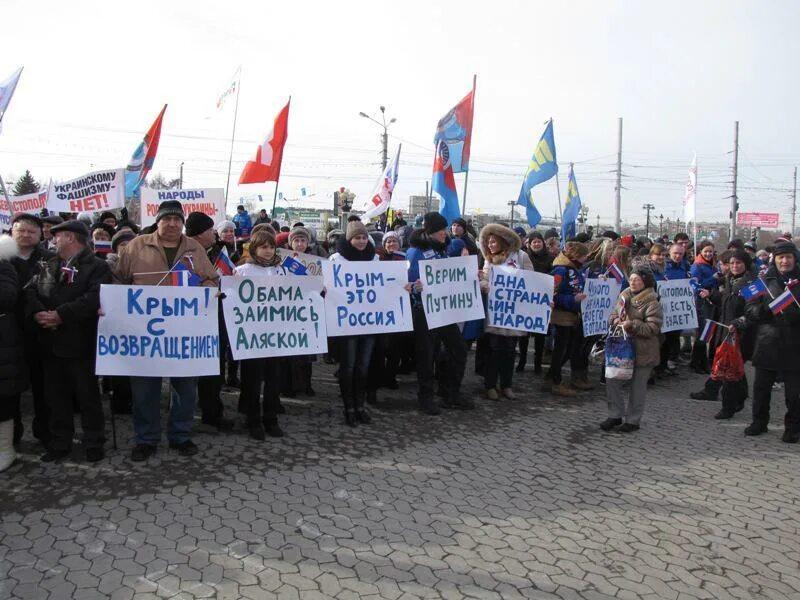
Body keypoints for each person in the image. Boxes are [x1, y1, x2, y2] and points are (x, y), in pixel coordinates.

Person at [114, 200, 219, 461]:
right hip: (145, 334)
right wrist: (111, 307)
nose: (172, 224)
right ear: (157, 220)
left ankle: (180, 436)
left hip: (184, 334)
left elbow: (211, 279)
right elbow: (118, 281)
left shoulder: (194, 247)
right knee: (144, 389)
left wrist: (205, 293)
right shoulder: (137, 246)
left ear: (182, 223)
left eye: (177, 220)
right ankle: (146, 439)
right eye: (167, 219)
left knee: (185, 388)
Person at [26, 220, 112, 462]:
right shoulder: (48, 264)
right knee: (55, 397)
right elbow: (30, 291)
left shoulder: (97, 266)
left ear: (71, 238)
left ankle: (94, 441)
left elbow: (95, 297)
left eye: (58, 237)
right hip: (50, 342)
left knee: (87, 396)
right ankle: (60, 441)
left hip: (80, 343)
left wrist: (61, 315)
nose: (53, 241)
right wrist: (38, 313)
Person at [406, 212, 471, 414]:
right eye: (441, 229)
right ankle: (425, 397)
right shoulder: (415, 252)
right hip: (422, 311)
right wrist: (415, 286)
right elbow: (408, 281)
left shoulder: (443, 250)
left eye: (445, 229)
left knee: (458, 349)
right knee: (426, 355)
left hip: (442, 309)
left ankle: (451, 392)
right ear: (431, 231)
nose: (445, 232)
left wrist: (470, 275)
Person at [743, 241, 800, 442]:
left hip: (795, 344)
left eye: (788, 257)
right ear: (774, 259)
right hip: (767, 342)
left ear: (795, 259)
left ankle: (793, 427)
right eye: (780, 257)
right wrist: (765, 310)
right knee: (761, 389)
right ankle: (759, 422)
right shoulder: (762, 280)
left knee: (795, 394)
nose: (784, 261)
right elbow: (748, 309)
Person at [234, 229, 287, 439]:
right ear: (254, 249)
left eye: (271, 247)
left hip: (276, 336)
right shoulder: (243, 271)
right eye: (263, 247)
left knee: (274, 380)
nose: (268, 251)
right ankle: (253, 420)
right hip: (251, 336)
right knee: (252, 380)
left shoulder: (282, 270)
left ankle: (271, 418)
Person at [185, 212, 236, 432]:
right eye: (209, 230)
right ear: (198, 234)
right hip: (189, 318)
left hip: (217, 316)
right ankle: (184, 416)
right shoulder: (184, 253)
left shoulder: (219, 252)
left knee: (215, 368)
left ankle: (212, 413)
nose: (213, 233)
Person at [330, 221, 382, 426]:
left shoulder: (375, 258)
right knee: (348, 367)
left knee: (363, 366)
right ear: (349, 239)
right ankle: (348, 408)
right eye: (357, 237)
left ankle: (360, 406)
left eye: (363, 237)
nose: (361, 241)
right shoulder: (336, 259)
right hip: (346, 323)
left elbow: (385, 284)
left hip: (369, 322)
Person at [601, 264, 663, 432]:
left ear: (645, 281)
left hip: (643, 350)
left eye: (638, 280)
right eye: (632, 279)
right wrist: (613, 320)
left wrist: (632, 324)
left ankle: (633, 421)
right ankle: (615, 415)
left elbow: (653, 328)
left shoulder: (652, 302)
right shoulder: (624, 295)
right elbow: (614, 313)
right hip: (621, 347)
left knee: (637, 387)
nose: (633, 282)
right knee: (612, 380)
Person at [10, 214, 53, 448]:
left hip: (40, 330)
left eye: (32, 231)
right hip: (9, 331)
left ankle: (45, 432)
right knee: (10, 388)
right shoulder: (3, 257)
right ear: (12, 231)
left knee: (42, 386)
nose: (26, 235)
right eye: (21, 230)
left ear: (40, 235)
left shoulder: (49, 259)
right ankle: (11, 435)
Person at [478, 224, 534, 400]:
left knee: (510, 350)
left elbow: (531, 280)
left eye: (493, 242)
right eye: (488, 242)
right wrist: (485, 285)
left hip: (514, 314)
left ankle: (507, 385)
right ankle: (490, 385)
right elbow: (484, 280)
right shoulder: (489, 259)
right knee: (493, 349)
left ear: (502, 242)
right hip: (496, 313)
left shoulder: (521, 256)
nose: (490, 245)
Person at [545, 242, 590, 397]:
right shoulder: (561, 270)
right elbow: (553, 294)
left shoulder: (575, 270)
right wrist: (573, 299)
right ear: (577, 255)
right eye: (584, 256)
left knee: (568, 349)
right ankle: (555, 382)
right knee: (561, 349)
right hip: (561, 315)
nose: (586, 259)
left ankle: (551, 378)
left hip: (571, 315)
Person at [0, 235, 24, 471]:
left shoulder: (4, 263)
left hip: (3, 342)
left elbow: (7, 297)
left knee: (3, 397)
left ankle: (6, 449)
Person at [517, 230, 553, 374]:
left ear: (543, 243)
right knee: (523, 334)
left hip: (541, 301)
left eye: (539, 241)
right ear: (529, 244)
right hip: (525, 300)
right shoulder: (523, 258)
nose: (536, 244)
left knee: (539, 335)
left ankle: (537, 363)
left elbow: (552, 278)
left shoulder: (549, 259)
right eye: (534, 242)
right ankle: (522, 360)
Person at [690, 240, 720, 374]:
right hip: (702, 302)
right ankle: (696, 362)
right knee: (702, 332)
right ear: (701, 252)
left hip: (711, 301)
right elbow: (696, 285)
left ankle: (703, 362)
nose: (708, 254)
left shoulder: (712, 264)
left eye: (711, 251)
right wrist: (714, 279)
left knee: (707, 332)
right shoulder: (697, 266)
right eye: (706, 251)